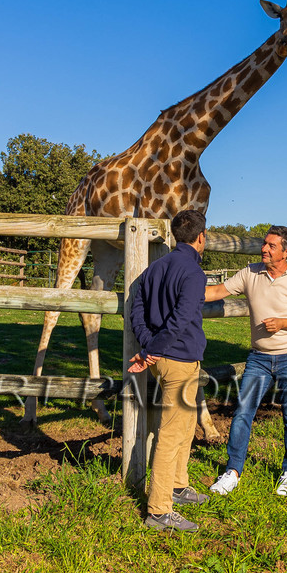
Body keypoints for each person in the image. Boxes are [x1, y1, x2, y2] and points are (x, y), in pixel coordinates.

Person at [203, 225, 287, 498]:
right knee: (243, 411)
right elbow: (217, 291)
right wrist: (180, 288)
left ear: (286, 252)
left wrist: (283, 324)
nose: (264, 249)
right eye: (264, 244)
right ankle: (232, 471)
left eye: (271, 246)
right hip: (259, 359)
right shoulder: (250, 273)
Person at [126, 208, 212, 532]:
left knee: (186, 426)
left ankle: (178, 485)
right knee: (171, 434)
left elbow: (136, 309)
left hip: (164, 357)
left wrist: (149, 346)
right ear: (201, 238)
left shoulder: (154, 268)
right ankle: (159, 510)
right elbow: (178, 322)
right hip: (176, 359)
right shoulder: (193, 274)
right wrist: (153, 350)